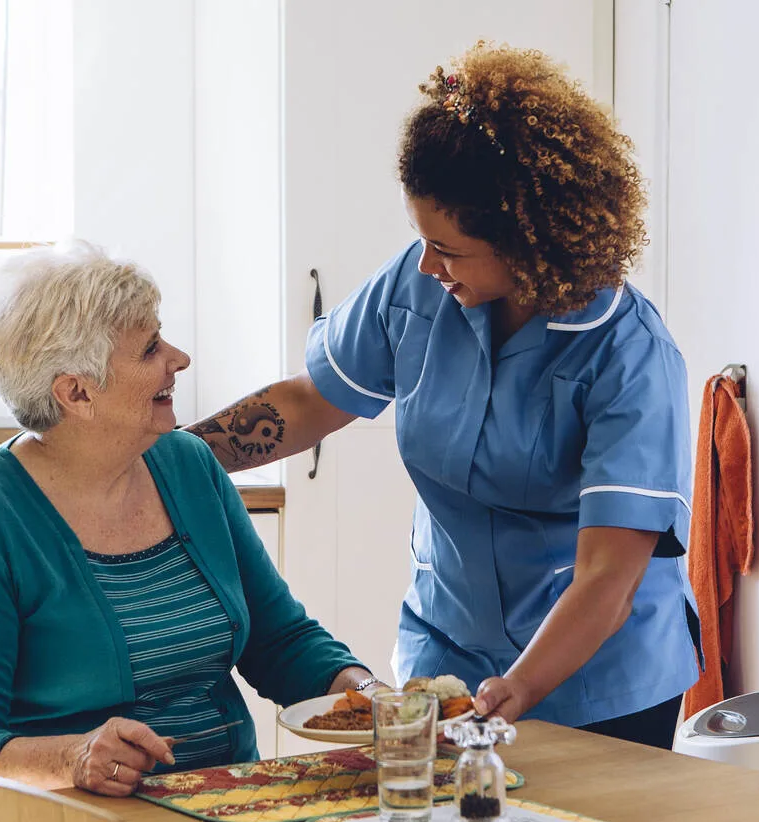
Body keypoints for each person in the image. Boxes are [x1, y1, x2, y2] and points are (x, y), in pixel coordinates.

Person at [187, 42, 699, 748]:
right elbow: (309, 402)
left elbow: (609, 575)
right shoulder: (420, 282)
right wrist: (173, 456)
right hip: (448, 657)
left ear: (527, 240)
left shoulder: (628, 353)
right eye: (420, 239)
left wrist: (519, 687)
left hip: (597, 682)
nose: (428, 263)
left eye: (450, 249)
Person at [0, 242, 378, 800]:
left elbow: (279, 641)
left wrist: (369, 694)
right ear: (77, 392)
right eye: (151, 348)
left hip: (226, 806)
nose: (178, 359)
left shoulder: (188, 465)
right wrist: (75, 757)